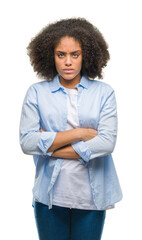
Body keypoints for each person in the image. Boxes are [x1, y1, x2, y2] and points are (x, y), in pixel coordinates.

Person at [19, 18, 122, 240]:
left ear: (86, 56)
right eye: (61, 55)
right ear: (50, 56)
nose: (68, 62)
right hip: (49, 197)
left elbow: (106, 143)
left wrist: (48, 146)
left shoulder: (104, 93)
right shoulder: (37, 93)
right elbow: (27, 142)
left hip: (91, 198)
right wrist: (80, 134)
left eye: (75, 54)